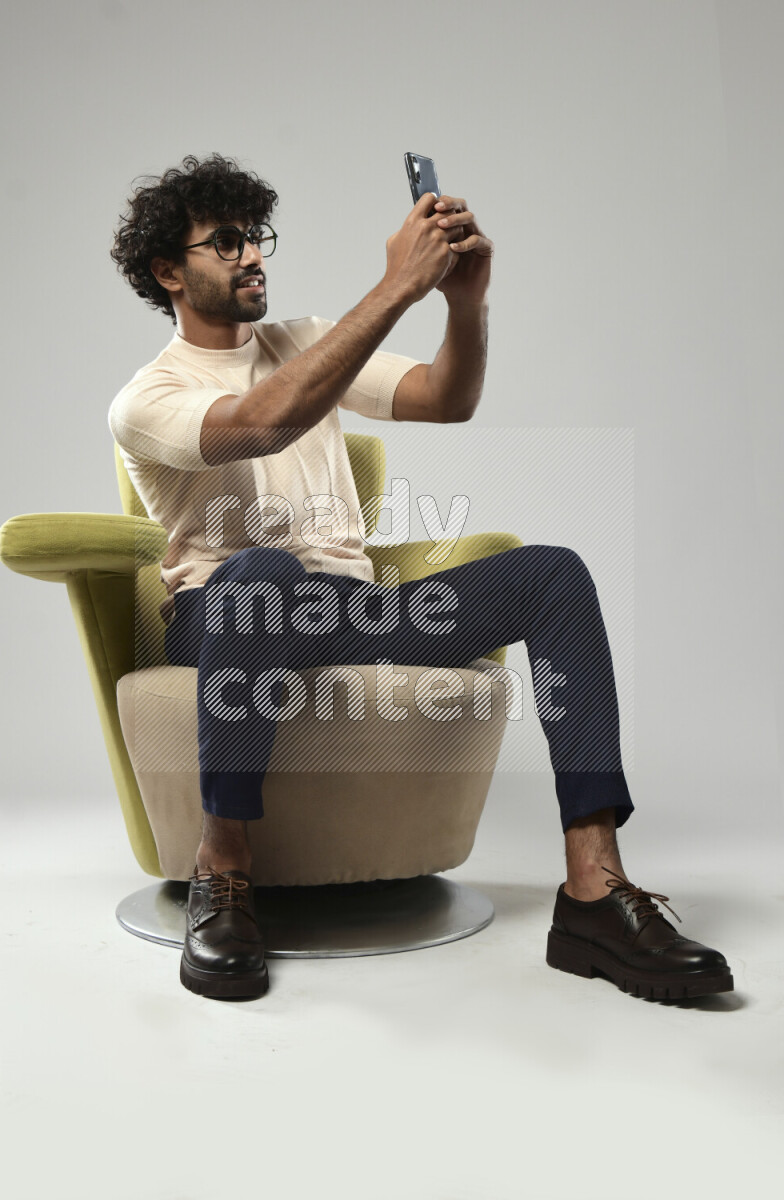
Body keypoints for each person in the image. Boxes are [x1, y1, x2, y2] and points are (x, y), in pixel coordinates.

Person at [109, 153, 732, 1003]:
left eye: (256, 238)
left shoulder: (307, 340)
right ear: (167, 271)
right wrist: (397, 284)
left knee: (552, 577)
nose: (253, 256)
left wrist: (464, 303)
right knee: (259, 573)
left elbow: (448, 396)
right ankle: (223, 872)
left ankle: (593, 886)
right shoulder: (148, 396)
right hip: (223, 614)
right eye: (225, 243)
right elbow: (259, 424)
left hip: (347, 608)